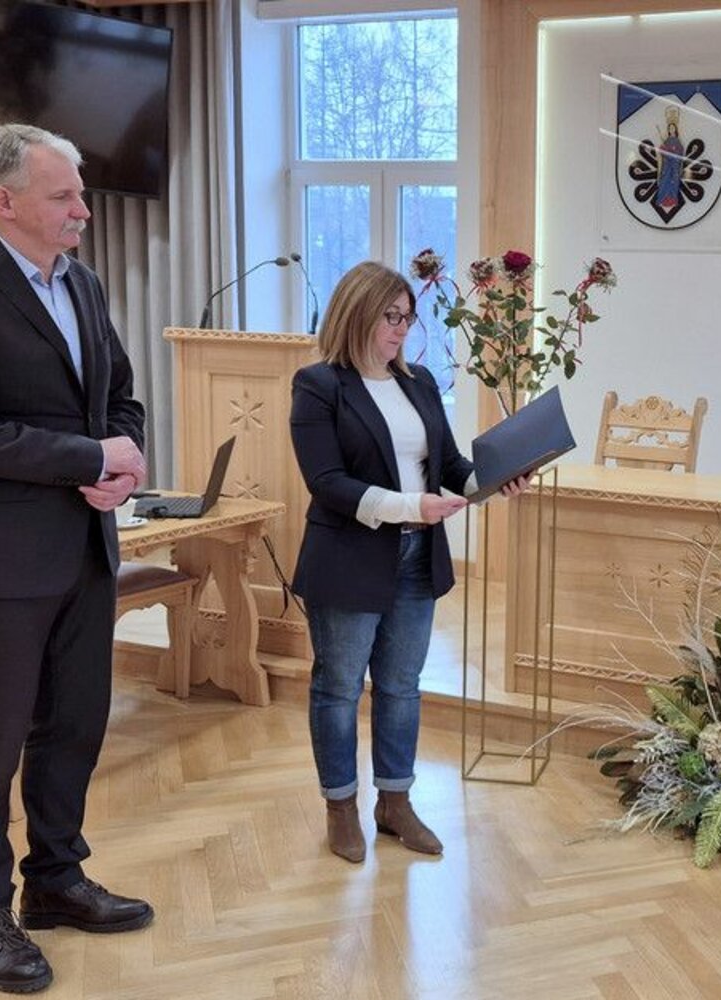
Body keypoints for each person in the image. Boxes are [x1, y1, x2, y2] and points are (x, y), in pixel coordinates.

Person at [0, 123, 154, 994]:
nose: (84, 209)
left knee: (74, 726)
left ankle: (55, 879)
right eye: (65, 195)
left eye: (80, 192)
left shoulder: (81, 282)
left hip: (84, 545)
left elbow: (119, 397)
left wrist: (124, 461)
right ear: (3, 201)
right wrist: (88, 457)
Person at [289, 261, 525, 864]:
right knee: (339, 689)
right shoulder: (319, 385)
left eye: (407, 317)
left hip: (417, 555)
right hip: (349, 558)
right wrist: (409, 507)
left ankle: (395, 803)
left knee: (401, 686)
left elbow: (449, 466)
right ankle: (341, 808)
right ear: (358, 313)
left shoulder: (418, 382)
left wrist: (494, 479)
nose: (402, 328)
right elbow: (327, 482)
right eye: (390, 316)